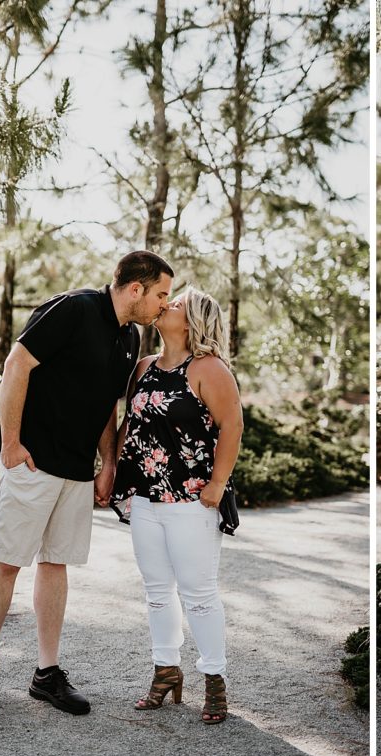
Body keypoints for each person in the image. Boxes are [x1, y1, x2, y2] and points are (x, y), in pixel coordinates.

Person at [0, 250, 174, 725]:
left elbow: (106, 406)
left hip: (77, 470)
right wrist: (11, 444)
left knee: (56, 565)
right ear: (135, 289)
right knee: (7, 563)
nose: (164, 303)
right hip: (31, 462)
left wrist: (108, 462)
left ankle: (46, 674)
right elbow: (16, 365)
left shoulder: (130, 337)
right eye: (161, 293)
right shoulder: (74, 309)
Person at [110, 287, 243, 725]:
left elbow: (232, 425)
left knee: (199, 594)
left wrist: (218, 484)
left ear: (192, 322)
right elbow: (129, 421)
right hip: (146, 498)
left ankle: (214, 681)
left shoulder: (208, 368)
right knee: (156, 591)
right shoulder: (145, 367)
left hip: (192, 500)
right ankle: (166, 670)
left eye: (177, 302)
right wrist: (112, 469)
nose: (166, 305)